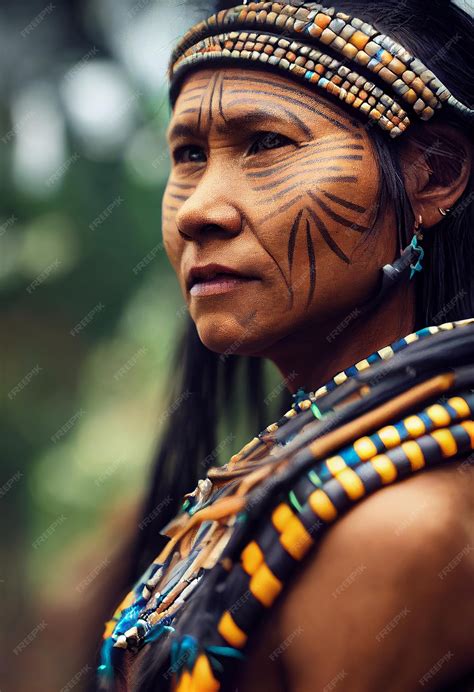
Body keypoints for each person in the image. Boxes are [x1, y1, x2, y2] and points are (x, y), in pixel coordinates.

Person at [96, 1, 474, 690]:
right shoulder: (297, 479)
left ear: (436, 174)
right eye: (187, 154)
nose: (198, 209)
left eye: (266, 144)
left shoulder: (398, 530)